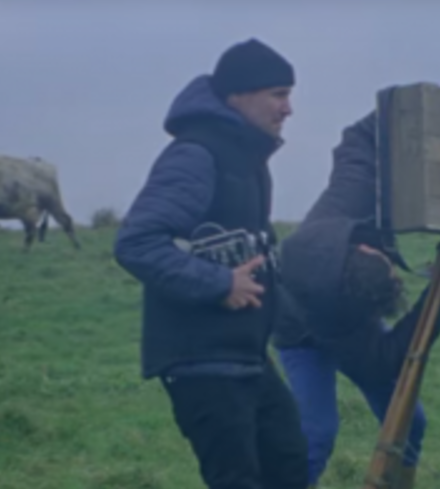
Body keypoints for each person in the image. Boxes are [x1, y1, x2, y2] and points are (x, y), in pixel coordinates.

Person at [113, 38, 308, 489]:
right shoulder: (197, 154)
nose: (289, 108)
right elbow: (137, 242)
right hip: (202, 361)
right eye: (278, 94)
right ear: (237, 96)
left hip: (248, 358)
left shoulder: (249, 158)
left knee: (290, 466)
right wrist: (219, 283)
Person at [272, 107, 440, 488]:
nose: (394, 264)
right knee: (317, 434)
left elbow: (357, 146)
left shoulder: (342, 210)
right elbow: (389, 355)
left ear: (361, 250)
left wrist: (410, 106)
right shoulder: (348, 326)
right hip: (300, 337)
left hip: (339, 315)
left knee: (411, 423)